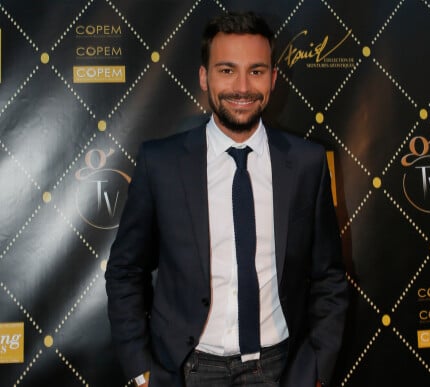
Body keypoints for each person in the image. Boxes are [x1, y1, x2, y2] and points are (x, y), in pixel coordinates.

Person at [105, 11, 348, 387]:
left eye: (256, 70)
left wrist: (316, 368)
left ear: (272, 79)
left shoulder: (307, 163)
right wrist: (141, 370)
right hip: (188, 370)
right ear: (204, 77)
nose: (242, 86)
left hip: (281, 367)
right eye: (226, 70)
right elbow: (125, 270)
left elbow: (329, 276)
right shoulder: (161, 163)